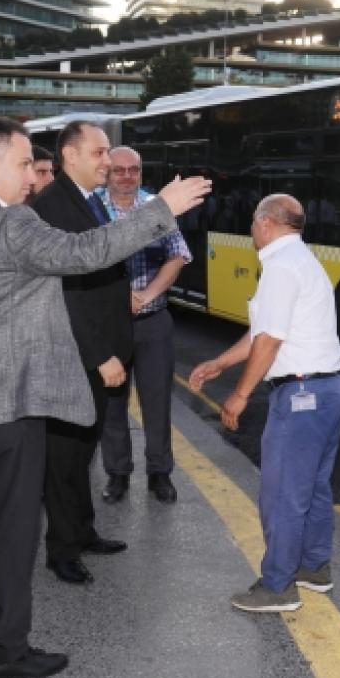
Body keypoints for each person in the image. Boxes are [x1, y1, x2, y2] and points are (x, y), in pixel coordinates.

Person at [0, 116, 209, 678]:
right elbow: (87, 252)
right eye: (23, 164)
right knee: (11, 532)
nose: (31, 176)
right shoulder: (11, 224)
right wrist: (159, 208)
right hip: (6, 410)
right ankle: (3, 652)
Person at [189, 193, 340, 613]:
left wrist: (239, 395)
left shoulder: (280, 268)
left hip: (300, 397)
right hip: (328, 390)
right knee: (313, 486)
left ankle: (277, 586)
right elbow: (265, 331)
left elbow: (270, 341)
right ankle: (314, 568)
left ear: (265, 223)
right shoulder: (301, 261)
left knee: (282, 495)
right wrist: (219, 363)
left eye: (252, 222)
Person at [31, 122, 132, 585]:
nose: (107, 161)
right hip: (75, 357)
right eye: (100, 152)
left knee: (83, 451)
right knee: (65, 459)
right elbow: (67, 293)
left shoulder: (85, 201)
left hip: (96, 351)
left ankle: (83, 532)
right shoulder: (53, 206)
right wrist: (99, 355)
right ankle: (62, 549)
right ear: (70, 155)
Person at [98, 146, 191, 505]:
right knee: (112, 402)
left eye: (132, 170)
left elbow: (178, 255)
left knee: (158, 402)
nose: (126, 176)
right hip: (110, 324)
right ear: (108, 173)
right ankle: (117, 474)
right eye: (118, 170)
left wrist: (146, 295)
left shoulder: (157, 207)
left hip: (153, 321)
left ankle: (159, 473)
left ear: (140, 172)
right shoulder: (92, 209)